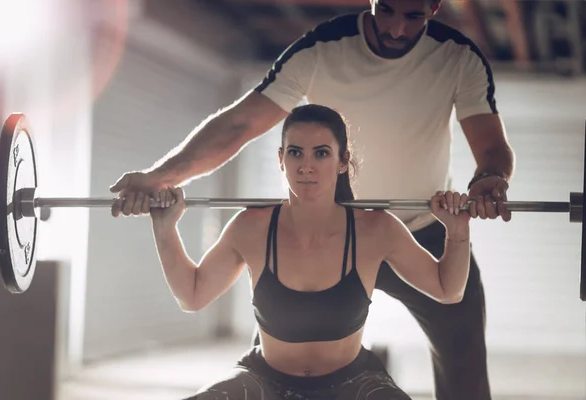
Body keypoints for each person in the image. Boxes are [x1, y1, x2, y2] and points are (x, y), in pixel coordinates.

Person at [110, 1, 515, 398]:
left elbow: (492, 148)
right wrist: (158, 178)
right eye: (386, 11)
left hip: (422, 231)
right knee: (276, 357)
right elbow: (238, 124)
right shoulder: (322, 48)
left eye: (413, 16)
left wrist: (489, 181)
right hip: (324, 229)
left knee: (466, 372)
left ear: (435, 8)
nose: (395, 29)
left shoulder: (459, 57)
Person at [115, 104, 472, 399]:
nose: (307, 165)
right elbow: (192, 295)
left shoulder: (375, 228)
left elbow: (448, 289)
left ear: (343, 160)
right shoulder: (251, 227)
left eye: (321, 153)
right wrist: (165, 227)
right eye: (296, 152)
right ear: (281, 158)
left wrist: (457, 229)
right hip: (264, 381)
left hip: (353, 383)